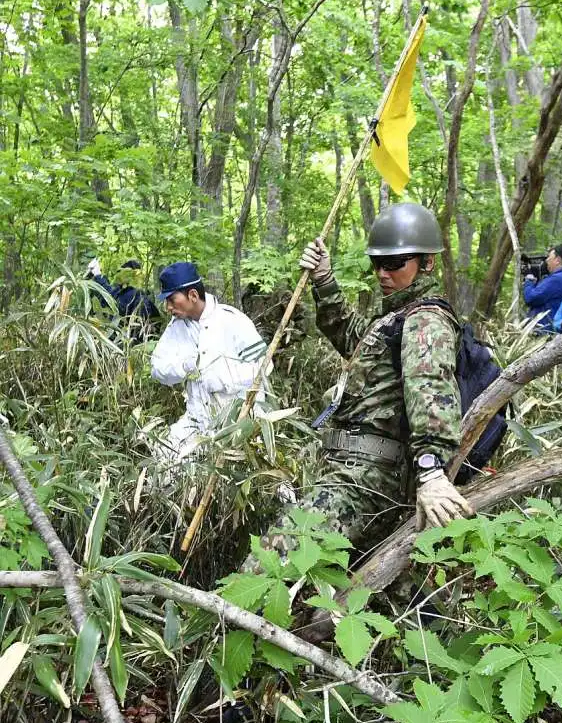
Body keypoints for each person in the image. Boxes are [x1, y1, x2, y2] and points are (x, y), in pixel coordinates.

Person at [244, 203, 472, 572]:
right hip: (349, 471)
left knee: (264, 567)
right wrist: (324, 280)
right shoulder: (396, 317)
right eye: (377, 263)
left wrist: (431, 471)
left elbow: (430, 389)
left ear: (427, 263)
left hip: (366, 479)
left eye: (395, 263)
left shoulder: (425, 320)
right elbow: (355, 341)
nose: (383, 273)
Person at [150, 261, 269, 467]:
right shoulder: (176, 328)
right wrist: (183, 368)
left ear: (193, 295)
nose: (167, 307)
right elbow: (157, 368)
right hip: (197, 423)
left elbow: (263, 366)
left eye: (171, 299)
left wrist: (223, 378)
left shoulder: (232, 321)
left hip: (239, 423)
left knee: (264, 484)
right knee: (162, 461)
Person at [87, 258, 160, 340]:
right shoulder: (124, 292)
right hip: (120, 339)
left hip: (122, 339)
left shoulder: (135, 296)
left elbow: (108, 292)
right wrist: (97, 274)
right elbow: (108, 291)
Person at [523, 244, 562, 330]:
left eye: (549, 257)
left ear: (557, 260)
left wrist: (529, 280)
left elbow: (531, 298)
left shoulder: (556, 279)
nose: (547, 260)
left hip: (544, 330)